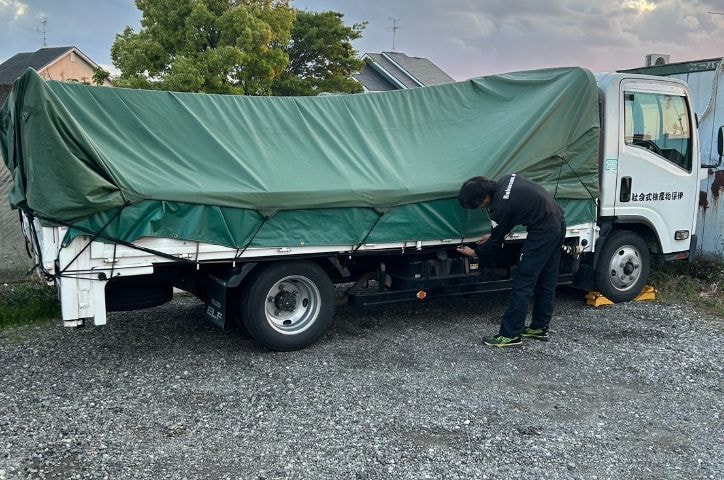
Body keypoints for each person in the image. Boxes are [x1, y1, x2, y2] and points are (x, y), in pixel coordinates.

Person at [456, 174, 566, 348]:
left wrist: (475, 252)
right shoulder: (506, 181)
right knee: (546, 280)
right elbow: (514, 213)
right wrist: (493, 235)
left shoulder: (500, 206)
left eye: (479, 205)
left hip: (543, 232)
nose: (482, 208)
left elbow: (496, 242)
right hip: (558, 223)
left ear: (484, 197)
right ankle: (539, 327)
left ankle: (510, 334)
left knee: (523, 282)